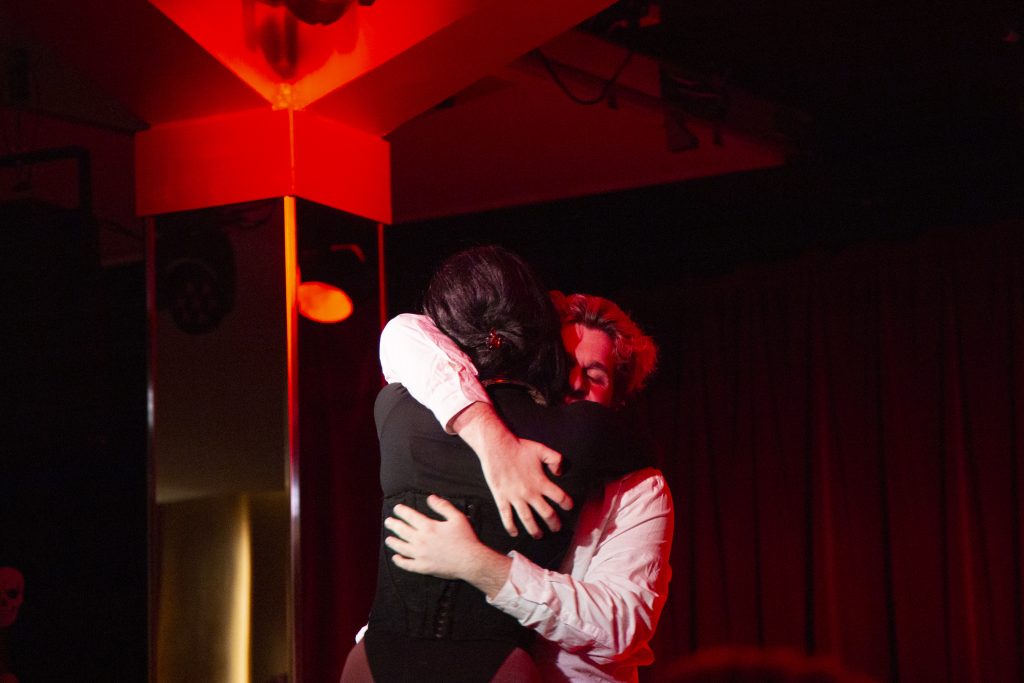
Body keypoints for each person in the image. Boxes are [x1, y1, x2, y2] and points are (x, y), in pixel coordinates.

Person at [344, 246, 652, 682]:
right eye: (565, 364)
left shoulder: (639, 484)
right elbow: (404, 333)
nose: (574, 382)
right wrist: (493, 443)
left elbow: (621, 628)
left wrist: (478, 565)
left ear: (618, 397)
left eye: (595, 374)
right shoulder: (480, 420)